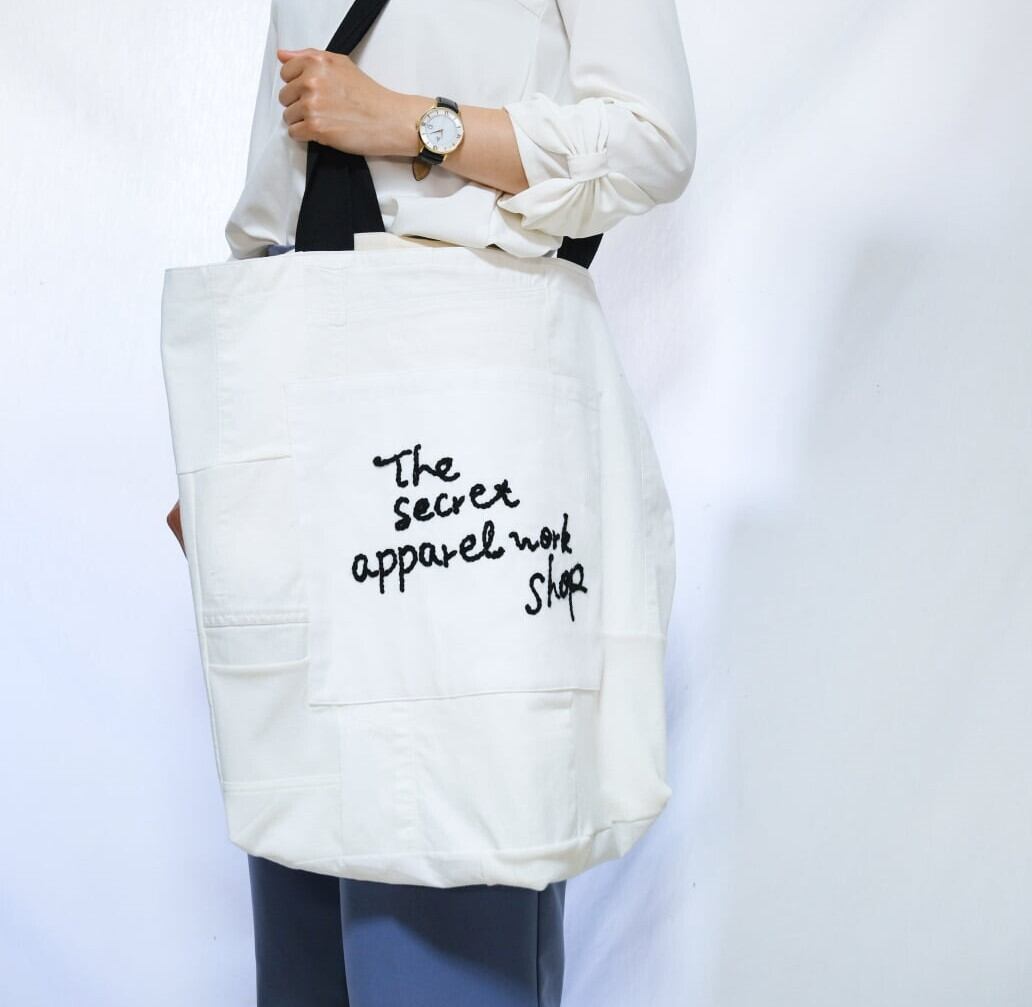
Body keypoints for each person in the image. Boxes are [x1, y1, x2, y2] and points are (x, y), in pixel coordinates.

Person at [165, 0, 696, 1003]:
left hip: (462, 440)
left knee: (448, 863)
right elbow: (277, 212)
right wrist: (228, 452)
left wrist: (415, 122)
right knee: (301, 878)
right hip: (307, 421)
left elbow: (653, 139)